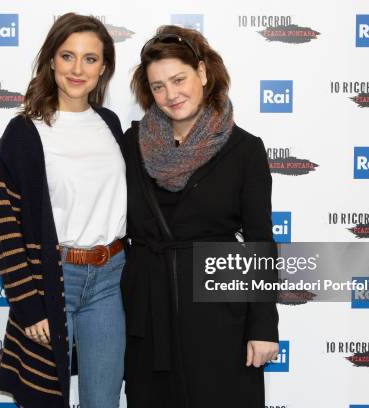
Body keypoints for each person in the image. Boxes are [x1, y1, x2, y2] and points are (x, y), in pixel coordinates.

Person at [120, 25, 279, 407]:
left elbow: (260, 241)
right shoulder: (130, 145)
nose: (170, 94)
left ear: (203, 73)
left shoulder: (245, 150)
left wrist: (263, 326)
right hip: (148, 317)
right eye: (158, 86)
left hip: (218, 313)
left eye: (179, 79)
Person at [0, 13, 126, 408]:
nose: (77, 69)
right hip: (53, 279)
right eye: (68, 56)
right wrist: (29, 306)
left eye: (90, 58)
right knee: (45, 400)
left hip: (109, 280)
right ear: (51, 61)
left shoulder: (110, 123)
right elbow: (7, 227)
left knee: (103, 401)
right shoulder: (24, 132)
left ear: (104, 68)